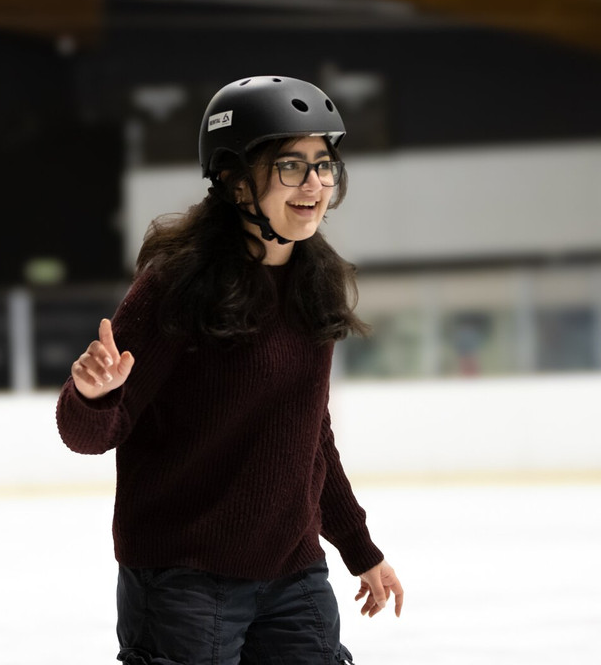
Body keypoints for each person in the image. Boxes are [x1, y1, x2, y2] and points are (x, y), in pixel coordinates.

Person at [56, 76, 403, 665]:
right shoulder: (177, 284)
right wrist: (92, 396)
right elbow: (92, 435)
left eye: (324, 165)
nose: (314, 184)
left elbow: (309, 433)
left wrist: (358, 546)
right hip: (185, 581)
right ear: (235, 179)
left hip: (293, 574)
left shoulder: (313, 280)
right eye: (290, 166)